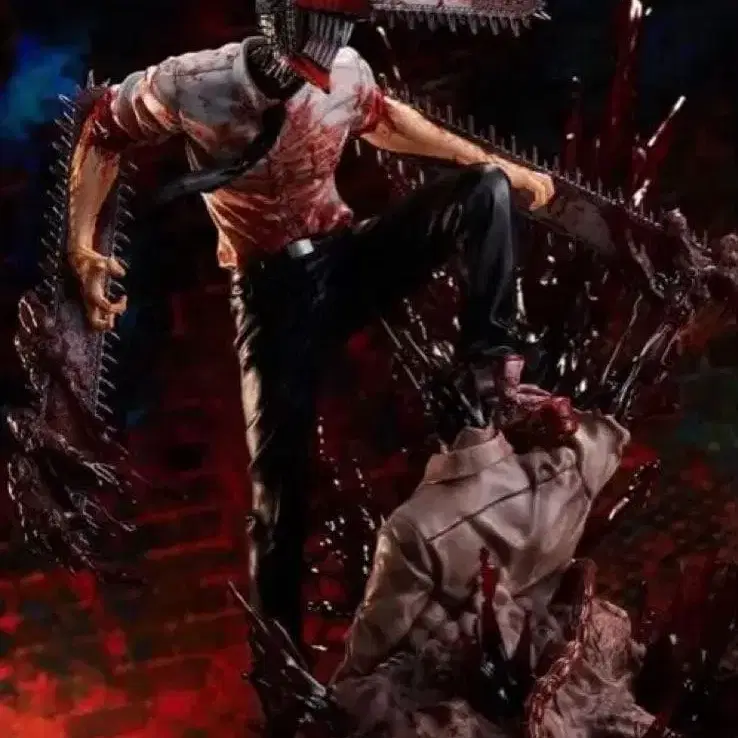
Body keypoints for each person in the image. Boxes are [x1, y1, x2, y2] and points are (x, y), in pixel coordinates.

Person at [64, 3, 555, 650]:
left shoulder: (346, 70)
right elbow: (103, 127)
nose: (325, 54)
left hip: (345, 260)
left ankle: (493, 369)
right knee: (278, 493)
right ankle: (281, 662)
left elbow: (386, 120)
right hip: (273, 296)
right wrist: (81, 247)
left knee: (484, 188)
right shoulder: (195, 82)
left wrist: (498, 164)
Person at [330, 356, 659, 738]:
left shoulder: (412, 526)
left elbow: (374, 641)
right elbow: (604, 435)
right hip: (557, 642)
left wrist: (342, 685)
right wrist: (532, 414)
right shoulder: (567, 467)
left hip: (466, 682)